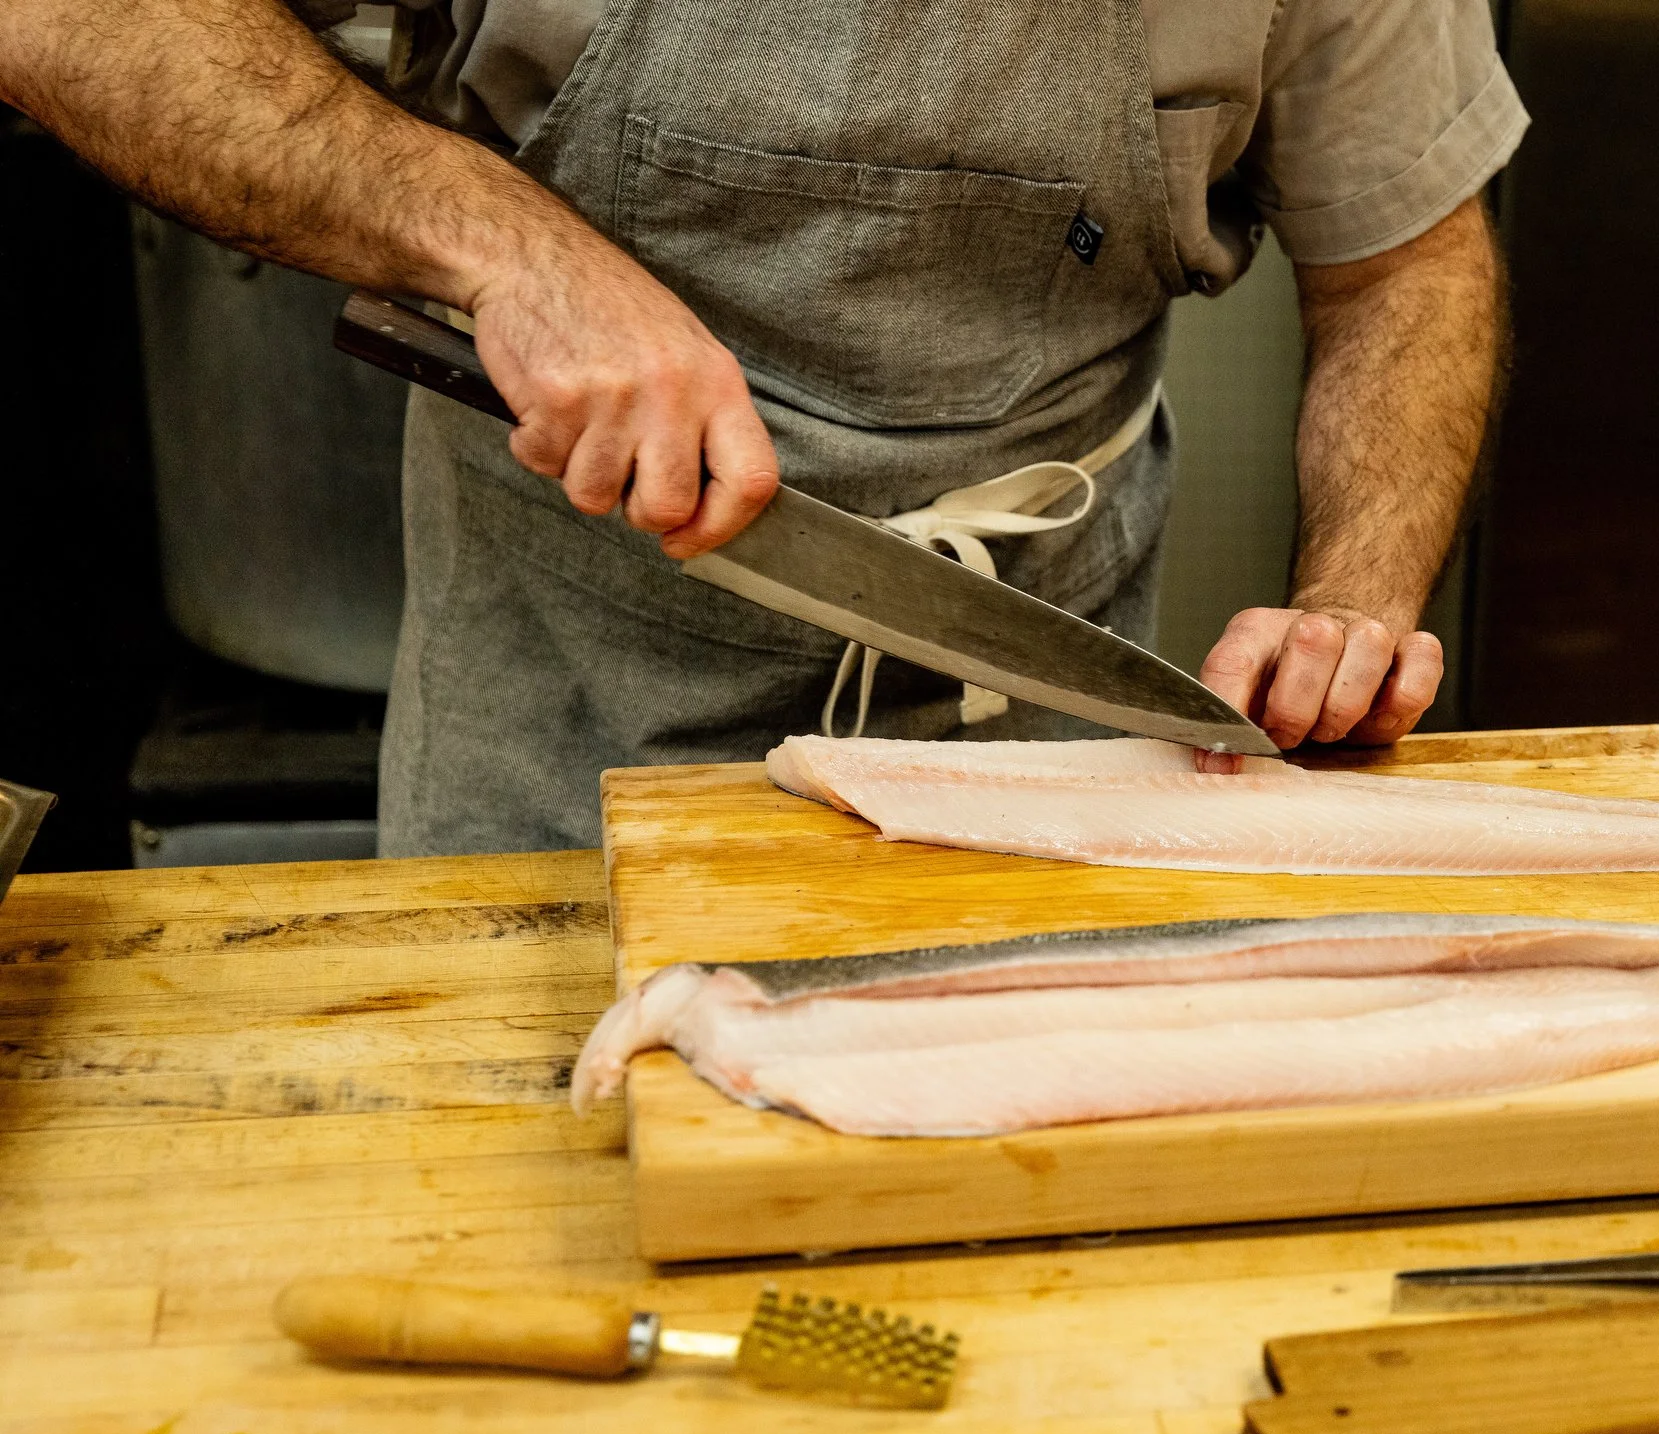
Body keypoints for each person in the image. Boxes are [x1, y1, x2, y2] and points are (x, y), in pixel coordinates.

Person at [0, 0, 1520, 852]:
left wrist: (1356, 600)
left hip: (1053, 785)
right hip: (556, 758)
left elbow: (1405, 265)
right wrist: (503, 241)